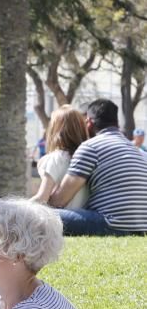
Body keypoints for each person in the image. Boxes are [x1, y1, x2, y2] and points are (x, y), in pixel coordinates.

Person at [49, 98, 147, 236]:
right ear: (116, 122)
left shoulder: (90, 147)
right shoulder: (134, 149)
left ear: (88, 122)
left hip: (111, 224)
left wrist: (44, 199)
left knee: (43, 216)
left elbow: (61, 199)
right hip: (141, 227)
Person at [31, 105, 89, 208]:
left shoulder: (55, 159)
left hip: (61, 221)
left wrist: (17, 207)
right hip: (85, 220)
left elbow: (42, 198)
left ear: (55, 131)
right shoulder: (88, 159)